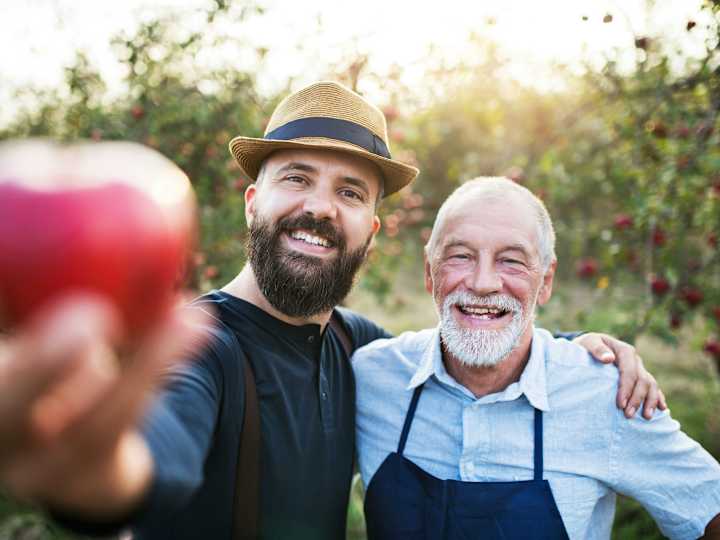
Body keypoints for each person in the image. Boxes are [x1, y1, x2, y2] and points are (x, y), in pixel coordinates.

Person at [0, 82, 664, 540]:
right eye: (297, 178)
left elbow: (465, 345)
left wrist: (580, 345)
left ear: (371, 231)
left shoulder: (363, 350)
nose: (321, 206)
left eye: (349, 191)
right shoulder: (203, 347)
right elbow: (158, 447)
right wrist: (99, 473)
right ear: (252, 201)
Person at [354, 177, 720, 540]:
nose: (483, 283)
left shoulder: (609, 394)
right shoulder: (372, 376)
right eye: (460, 256)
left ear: (545, 281)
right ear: (429, 272)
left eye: (511, 261)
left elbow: (708, 509)